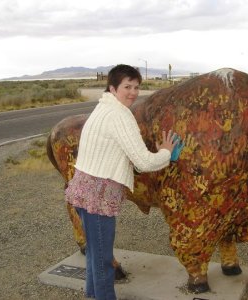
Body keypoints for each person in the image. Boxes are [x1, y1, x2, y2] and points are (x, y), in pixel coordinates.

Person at [65, 64, 177, 300]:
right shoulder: (119, 115)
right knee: (104, 259)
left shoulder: (104, 107)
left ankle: (92, 295)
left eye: (137, 87)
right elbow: (144, 163)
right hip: (98, 197)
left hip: (83, 191)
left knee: (96, 254)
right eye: (127, 86)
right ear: (113, 87)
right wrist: (166, 152)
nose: (133, 92)